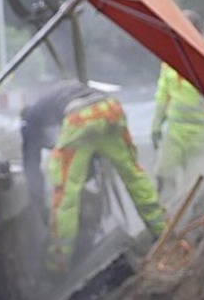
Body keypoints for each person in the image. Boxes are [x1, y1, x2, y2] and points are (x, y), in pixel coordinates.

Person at [21, 79, 166, 273]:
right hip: (110, 108)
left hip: (82, 118)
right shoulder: (53, 103)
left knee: (65, 198)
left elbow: (31, 165)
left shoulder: (30, 122)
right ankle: (162, 231)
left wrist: (39, 202)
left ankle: (57, 263)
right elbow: (86, 152)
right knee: (133, 174)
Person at [151, 11, 204, 196]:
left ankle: (191, 216)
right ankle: (166, 212)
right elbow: (162, 94)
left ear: (197, 30)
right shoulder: (171, 58)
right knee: (163, 173)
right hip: (176, 130)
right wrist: (156, 125)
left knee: (194, 180)